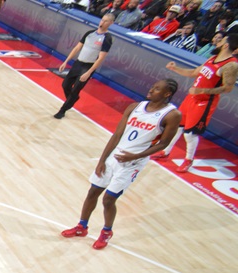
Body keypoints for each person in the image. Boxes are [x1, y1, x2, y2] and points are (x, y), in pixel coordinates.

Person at [60, 79, 181, 249]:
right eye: (153, 86)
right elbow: (116, 135)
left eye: (157, 89)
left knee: (109, 199)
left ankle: (106, 232)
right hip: (114, 156)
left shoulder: (171, 115)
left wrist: (136, 155)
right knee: (93, 192)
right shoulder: (134, 107)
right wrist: (102, 160)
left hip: (134, 162)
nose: (152, 89)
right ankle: (82, 227)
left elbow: (163, 144)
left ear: (167, 94)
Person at [153, 31, 237, 171]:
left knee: (190, 133)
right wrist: (175, 68)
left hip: (205, 102)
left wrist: (202, 91)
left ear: (226, 45)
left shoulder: (231, 65)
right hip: (191, 98)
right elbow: (194, 73)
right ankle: (165, 151)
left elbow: (228, 88)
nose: (218, 41)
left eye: (222, 41)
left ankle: (188, 160)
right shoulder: (213, 57)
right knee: (177, 126)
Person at [54, 13, 115, 119]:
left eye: (106, 21)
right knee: (65, 85)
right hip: (78, 63)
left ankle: (62, 110)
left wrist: (89, 72)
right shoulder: (90, 33)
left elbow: (101, 58)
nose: (102, 22)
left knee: (76, 88)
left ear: (111, 23)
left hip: (88, 66)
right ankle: (73, 99)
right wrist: (66, 61)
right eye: (102, 20)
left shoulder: (107, 38)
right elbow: (77, 48)